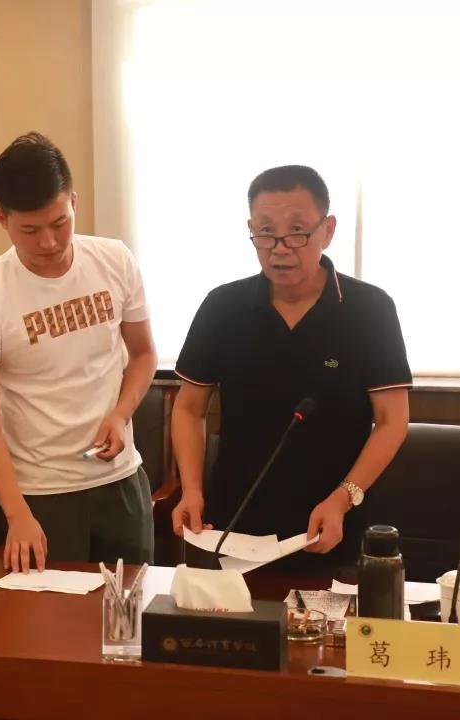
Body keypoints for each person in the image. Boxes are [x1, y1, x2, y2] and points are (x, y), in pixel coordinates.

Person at [171, 165, 411, 571]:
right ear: (250, 230)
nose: (280, 248)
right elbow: (188, 408)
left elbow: (392, 421)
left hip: (334, 523)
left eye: (297, 231)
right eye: (266, 232)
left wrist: (343, 498)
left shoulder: (370, 309)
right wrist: (191, 490)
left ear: (327, 230)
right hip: (234, 522)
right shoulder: (222, 307)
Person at [0, 132, 158, 572]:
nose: (48, 241)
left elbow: (143, 356)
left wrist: (120, 414)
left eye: (59, 222)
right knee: (49, 614)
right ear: (2, 219)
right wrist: (16, 513)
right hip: (40, 493)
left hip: (120, 479)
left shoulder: (114, 260)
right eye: (29, 230)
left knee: (131, 607)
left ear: (74, 203)